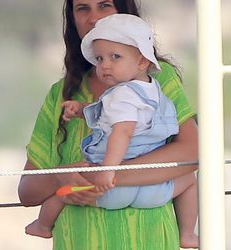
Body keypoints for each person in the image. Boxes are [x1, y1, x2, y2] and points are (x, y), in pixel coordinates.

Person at [18, 1, 198, 249]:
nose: (94, 18)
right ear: (72, 19)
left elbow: (192, 154)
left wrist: (102, 177)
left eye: (105, 5)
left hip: (151, 240)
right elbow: (27, 193)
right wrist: (61, 177)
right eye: (82, 8)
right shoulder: (60, 95)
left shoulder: (157, 78)